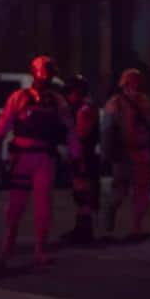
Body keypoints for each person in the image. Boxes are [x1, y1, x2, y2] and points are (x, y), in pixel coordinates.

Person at [0, 55, 72, 265]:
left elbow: (69, 129)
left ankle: (40, 247)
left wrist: (75, 152)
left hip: (44, 157)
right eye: (44, 73)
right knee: (16, 203)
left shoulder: (57, 101)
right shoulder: (19, 97)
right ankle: (9, 243)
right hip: (22, 157)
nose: (46, 78)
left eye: (49, 74)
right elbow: (4, 120)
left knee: (43, 205)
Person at [101, 68, 150, 240]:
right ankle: (110, 212)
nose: (135, 85)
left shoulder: (145, 101)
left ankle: (137, 227)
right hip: (124, 152)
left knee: (143, 191)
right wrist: (109, 153)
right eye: (132, 82)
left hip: (142, 152)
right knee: (120, 190)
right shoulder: (115, 103)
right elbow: (107, 129)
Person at [60, 75, 101, 246]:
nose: (68, 97)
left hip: (85, 155)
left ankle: (84, 232)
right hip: (86, 154)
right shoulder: (86, 107)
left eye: (70, 93)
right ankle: (81, 229)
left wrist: (78, 157)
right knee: (81, 194)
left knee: (83, 194)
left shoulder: (84, 109)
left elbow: (81, 135)